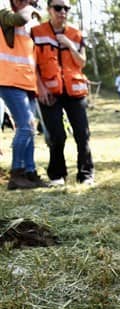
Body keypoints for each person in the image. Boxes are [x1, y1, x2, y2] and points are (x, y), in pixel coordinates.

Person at [33, 0, 94, 186]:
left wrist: (69, 44)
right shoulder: (37, 32)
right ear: (49, 9)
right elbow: (31, 63)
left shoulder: (75, 34)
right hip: (49, 92)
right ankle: (57, 175)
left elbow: (82, 62)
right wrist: (40, 87)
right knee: (56, 135)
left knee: (82, 134)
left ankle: (86, 175)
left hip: (75, 92)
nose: (62, 12)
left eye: (66, 8)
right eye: (58, 8)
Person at [0, 0, 47, 190]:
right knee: (26, 127)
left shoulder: (32, 22)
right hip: (9, 79)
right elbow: (19, 18)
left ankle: (30, 172)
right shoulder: (5, 13)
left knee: (29, 128)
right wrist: (30, 7)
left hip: (28, 82)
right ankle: (16, 174)